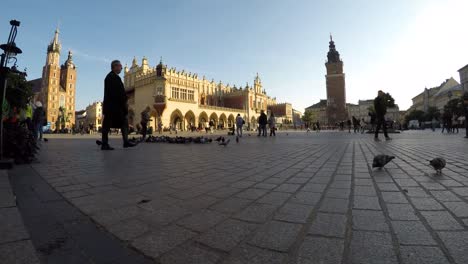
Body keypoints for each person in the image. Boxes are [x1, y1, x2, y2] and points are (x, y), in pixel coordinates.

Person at [101, 60, 136, 150]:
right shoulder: (113, 77)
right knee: (109, 124)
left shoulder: (111, 77)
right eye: (120, 66)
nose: (121, 67)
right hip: (114, 106)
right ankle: (106, 144)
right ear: (115, 66)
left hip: (112, 106)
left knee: (120, 123)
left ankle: (124, 142)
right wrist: (125, 98)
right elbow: (117, 92)